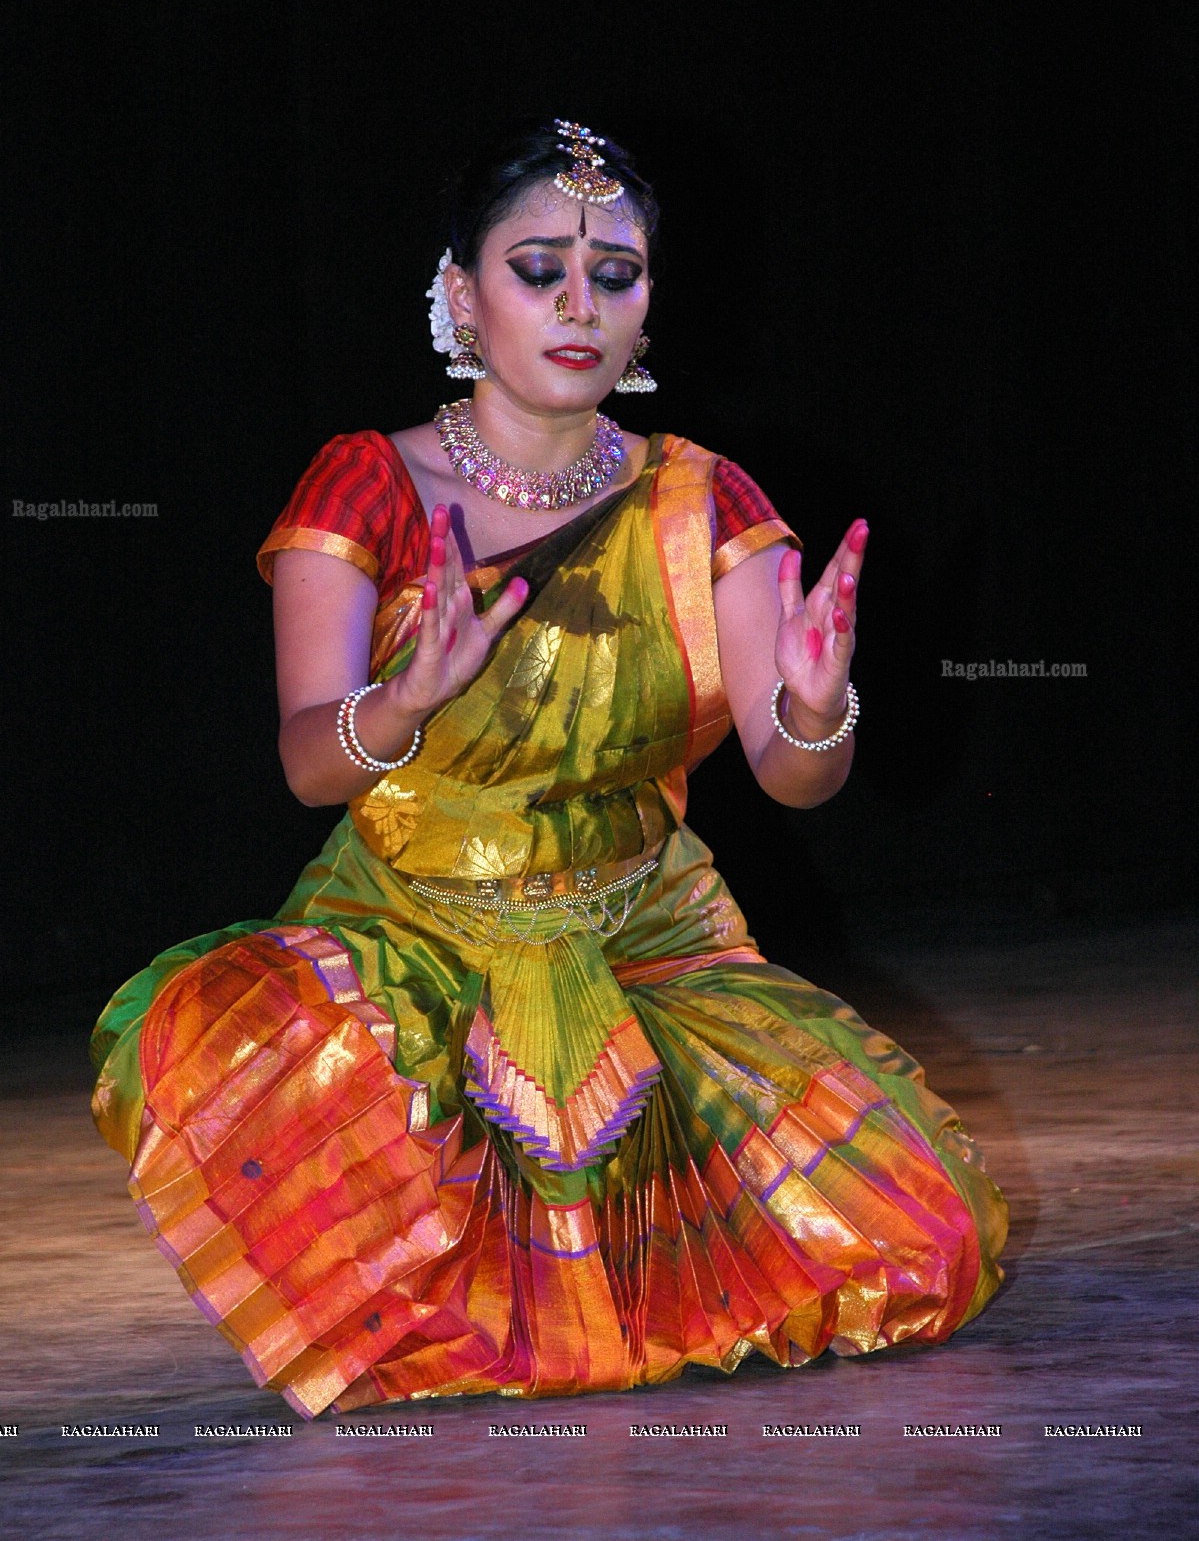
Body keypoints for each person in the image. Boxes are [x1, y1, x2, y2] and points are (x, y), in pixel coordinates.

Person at [91, 118, 1007, 1420]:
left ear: (648, 308)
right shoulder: (370, 486)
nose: (581, 305)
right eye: (540, 271)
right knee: (218, 1038)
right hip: (416, 930)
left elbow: (796, 778)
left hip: (642, 942)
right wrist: (401, 702)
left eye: (616, 276)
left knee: (925, 1240)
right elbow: (307, 766)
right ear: (464, 296)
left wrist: (813, 706)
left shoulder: (706, 502)